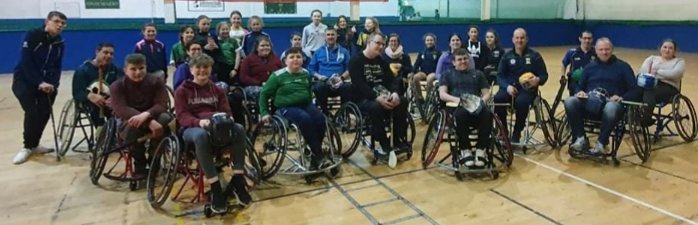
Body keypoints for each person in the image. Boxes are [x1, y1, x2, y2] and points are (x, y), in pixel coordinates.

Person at [175, 54, 251, 213]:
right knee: (201, 136)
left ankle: (238, 178)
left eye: (206, 67)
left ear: (210, 69)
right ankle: (215, 186)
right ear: (191, 70)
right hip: (191, 128)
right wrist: (199, 122)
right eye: (198, 68)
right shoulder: (182, 91)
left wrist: (227, 119)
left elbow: (226, 111)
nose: (202, 70)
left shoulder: (217, 89)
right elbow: (182, 116)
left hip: (217, 127)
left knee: (238, 128)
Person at [259, 47, 332, 170]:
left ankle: (315, 153)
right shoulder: (277, 76)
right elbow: (264, 94)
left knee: (320, 119)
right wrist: (264, 112)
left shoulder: (306, 73)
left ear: (302, 60)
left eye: (298, 57)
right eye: (292, 57)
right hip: (286, 107)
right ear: (285, 61)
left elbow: (309, 90)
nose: (295, 59)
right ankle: (319, 155)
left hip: (306, 104)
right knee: (305, 119)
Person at [12, 11, 67, 164]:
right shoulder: (33, 35)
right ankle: (27, 147)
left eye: (63, 23)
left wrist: (53, 85)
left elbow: (57, 66)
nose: (60, 25)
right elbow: (26, 62)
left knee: (44, 113)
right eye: (57, 21)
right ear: (46, 21)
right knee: (32, 112)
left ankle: (35, 144)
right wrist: (39, 82)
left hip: (47, 84)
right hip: (24, 81)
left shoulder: (59, 43)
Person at [564, 38, 637, 154]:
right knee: (570, 102)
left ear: (612, 50)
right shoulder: (589, 67)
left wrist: (622, 97)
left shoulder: (623, 67)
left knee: (611, 108)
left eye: (607, 49)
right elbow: (579, 86)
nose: (604, 52)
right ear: (596, 51)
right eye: (601, 50)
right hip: (590, 101)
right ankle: (580, 138)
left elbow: (634, 89)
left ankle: (601, 143)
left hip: (611, 104)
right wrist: (579, 92)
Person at [349, 33, 409, 169]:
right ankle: (384, 144)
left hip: (382, 95)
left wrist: (394, 93)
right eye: (378, 43)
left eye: (383, 44)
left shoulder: (381, 61)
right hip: (363, 98)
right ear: (369, 42)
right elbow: (359, 84)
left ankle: (398, 139)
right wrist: (376, 98)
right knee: (376, 107)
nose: (381, 46)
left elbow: (392, 80)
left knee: (403, 101)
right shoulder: (355, 60)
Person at [110, 53, 172, 179]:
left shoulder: (156, 82)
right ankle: (140, 165)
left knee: (165, 119)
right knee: (133, 126)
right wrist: (148, 121)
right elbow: (121, 109)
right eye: (133, 69)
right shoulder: (117, 86)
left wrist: (146, 115)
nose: (138, 72)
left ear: (146, 68)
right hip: (129, 121)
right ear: (125, 70)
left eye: (141, 68)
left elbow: (162, 104)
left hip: (153, 117)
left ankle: (155, 158)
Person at [438, 49, 492, 167]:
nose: (463, 62)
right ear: (454, 62)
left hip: (476, 107)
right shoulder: (447, 74)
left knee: (487, 114)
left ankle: (480, 150)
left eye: (465, 59)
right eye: (459, 59)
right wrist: (460, 101)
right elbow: (442, 94)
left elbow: (487, 93)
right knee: (461, 115)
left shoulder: (478, 74)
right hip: (457, 107)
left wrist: (480, 101)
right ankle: (465, 149)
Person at [493, 28, 549, 143]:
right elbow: (500, 76)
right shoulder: (507, 56)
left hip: (527, 89)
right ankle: (503, 130)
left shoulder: (535, 56)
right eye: (517, 38)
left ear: (526, 39)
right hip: (509, 87)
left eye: (522, 38)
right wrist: (507, 87)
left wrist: (537, 80)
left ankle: (517, 132)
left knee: (521, 102)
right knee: (498, 98)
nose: (519, 40)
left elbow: (544, 75)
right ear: (513, 40)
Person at [72, 42, 123, 129]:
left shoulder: (115, 70)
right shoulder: (83, 70)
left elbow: (120, 87)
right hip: (89, 102)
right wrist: (90, 96)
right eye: (105, 52)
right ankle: (101, 132)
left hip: (108, 101)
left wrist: (114, 98)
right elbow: (77, 92)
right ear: (97, 52)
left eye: (111, 54)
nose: (109, 56)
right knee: (96, 106)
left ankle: (116, 132)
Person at [636, 39, 685, 126]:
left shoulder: (679, 62)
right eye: (665, 47)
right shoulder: (652, 58)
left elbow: (675, 74)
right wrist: (660, 74)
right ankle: (633, 116)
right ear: (660, 48)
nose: (667, 50)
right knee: (635, 89)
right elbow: (644, 71)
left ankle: (646, 118)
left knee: (650, 90)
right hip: (649, 83)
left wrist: (658, 72)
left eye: (670, 48)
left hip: (669, 88)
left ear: (675, 51)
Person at [308, 27, 352, 114]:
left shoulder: (344, 51)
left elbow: (349, 68)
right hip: (324, 83)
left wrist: (342, 78)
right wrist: (319, 77)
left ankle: (342, 114)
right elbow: (311, 69)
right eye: (328, 35)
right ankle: (325, 113)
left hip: (339, 82)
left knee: (348, 87)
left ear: (336, 36)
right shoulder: (318, 52)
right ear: (325, 37)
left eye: (332, 34)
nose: (330, 37)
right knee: (318, 87)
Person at [239, 36, 283, 101]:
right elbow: (243, 78)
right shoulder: (248, 60)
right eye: (262, 46)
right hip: (255, 87)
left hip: (273, 87)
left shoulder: (276, 60)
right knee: (263, 92)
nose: (265, 48)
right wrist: (260, 83)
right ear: (257, 48)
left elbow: (282, 75)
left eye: (267, 45)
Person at [411, 33, 441, 113]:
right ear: (425, 42)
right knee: (416, 77)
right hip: (424, 72)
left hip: (434, 72)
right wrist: (413, 72)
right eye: (427, 40)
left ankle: (428, 98)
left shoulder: (438, 53)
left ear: (434, 41)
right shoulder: (422, 52)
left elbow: (440, 65)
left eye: (431, 40)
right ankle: (420, 97)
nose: (429, 42)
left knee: (429, 78)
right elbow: (417, 63)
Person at [561, 30, 596, 95]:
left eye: (589, 38)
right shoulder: (572, 52)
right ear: (580, 39)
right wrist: (563, 76)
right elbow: (564, 63)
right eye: (585, 38)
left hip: (591, 82)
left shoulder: (597, 53)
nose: (587, 41)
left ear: (592, 39)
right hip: (575, 83)